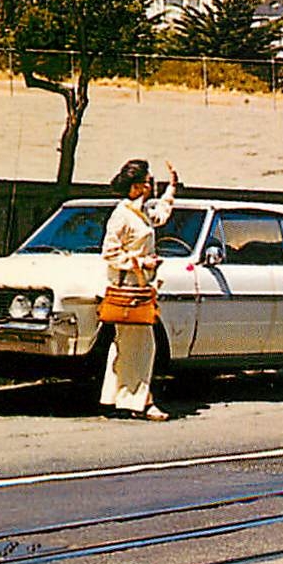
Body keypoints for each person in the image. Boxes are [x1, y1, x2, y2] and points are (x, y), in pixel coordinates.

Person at [99, 157, 179, 420]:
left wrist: (171, 190)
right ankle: (142, 402)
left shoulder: (140, 212)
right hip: (128, 288)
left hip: (141, 286)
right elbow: (110, 253)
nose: (151, 185)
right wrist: (142, 262)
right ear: (136, 187)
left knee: (128, 346)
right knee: (142, 346)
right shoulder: (121, 215)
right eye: (148, 182)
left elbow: (159, 217)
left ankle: (119, 398)